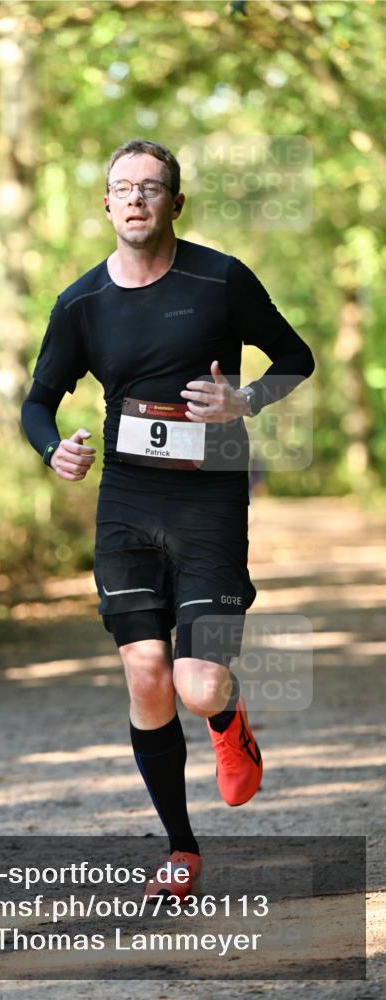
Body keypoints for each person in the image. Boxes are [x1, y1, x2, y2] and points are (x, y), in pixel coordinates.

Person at [20, 139, 315, 902]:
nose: (135, 198)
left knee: (198, 684)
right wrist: (53, 450)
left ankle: (227, 716)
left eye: (150, 187)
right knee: (147, 675)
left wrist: (244, 400)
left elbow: (295, 357)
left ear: (174, 203)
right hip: (126, 500)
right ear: (106, 203)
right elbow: (37, 402)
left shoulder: (219, 279)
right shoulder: (81, 303)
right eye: (122, 187)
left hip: (210, 496)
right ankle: (181, 849)